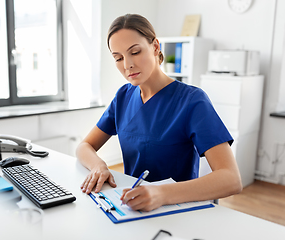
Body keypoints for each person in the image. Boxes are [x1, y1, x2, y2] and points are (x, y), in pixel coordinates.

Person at [76, 13, 242, 212]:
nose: (127, 65)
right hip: (133, 207)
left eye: (135, 52)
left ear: (155, 47)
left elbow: (231, 179)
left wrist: (161, 194)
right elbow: (85, 146)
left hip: (178, 209)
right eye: (118, 58)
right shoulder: (123, 97)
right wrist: (98, 166)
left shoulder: (192, 101)